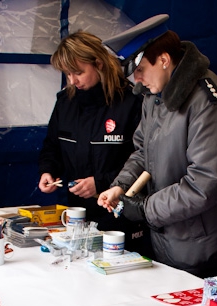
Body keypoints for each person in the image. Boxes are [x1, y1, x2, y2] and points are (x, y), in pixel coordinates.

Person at [98, 16, 217, 278]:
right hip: (170, 239)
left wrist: (145, 209)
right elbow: (143, 151)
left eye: (141, 70)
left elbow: (204, 183)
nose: (138, 80)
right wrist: (120, 186)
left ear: (164, 60)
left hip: (205, 248)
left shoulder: (208, 103)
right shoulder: (154, 96)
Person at [37, 31, 149, 255]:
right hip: (77, 216)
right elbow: (52, 145)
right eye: (67, 74)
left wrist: (101, 183)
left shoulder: (131, 102)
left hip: (120, 216)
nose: (72, 80)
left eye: (78, 72)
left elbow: (144, 158)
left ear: (98, 64)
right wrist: (48, 171)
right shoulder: (65, 102)